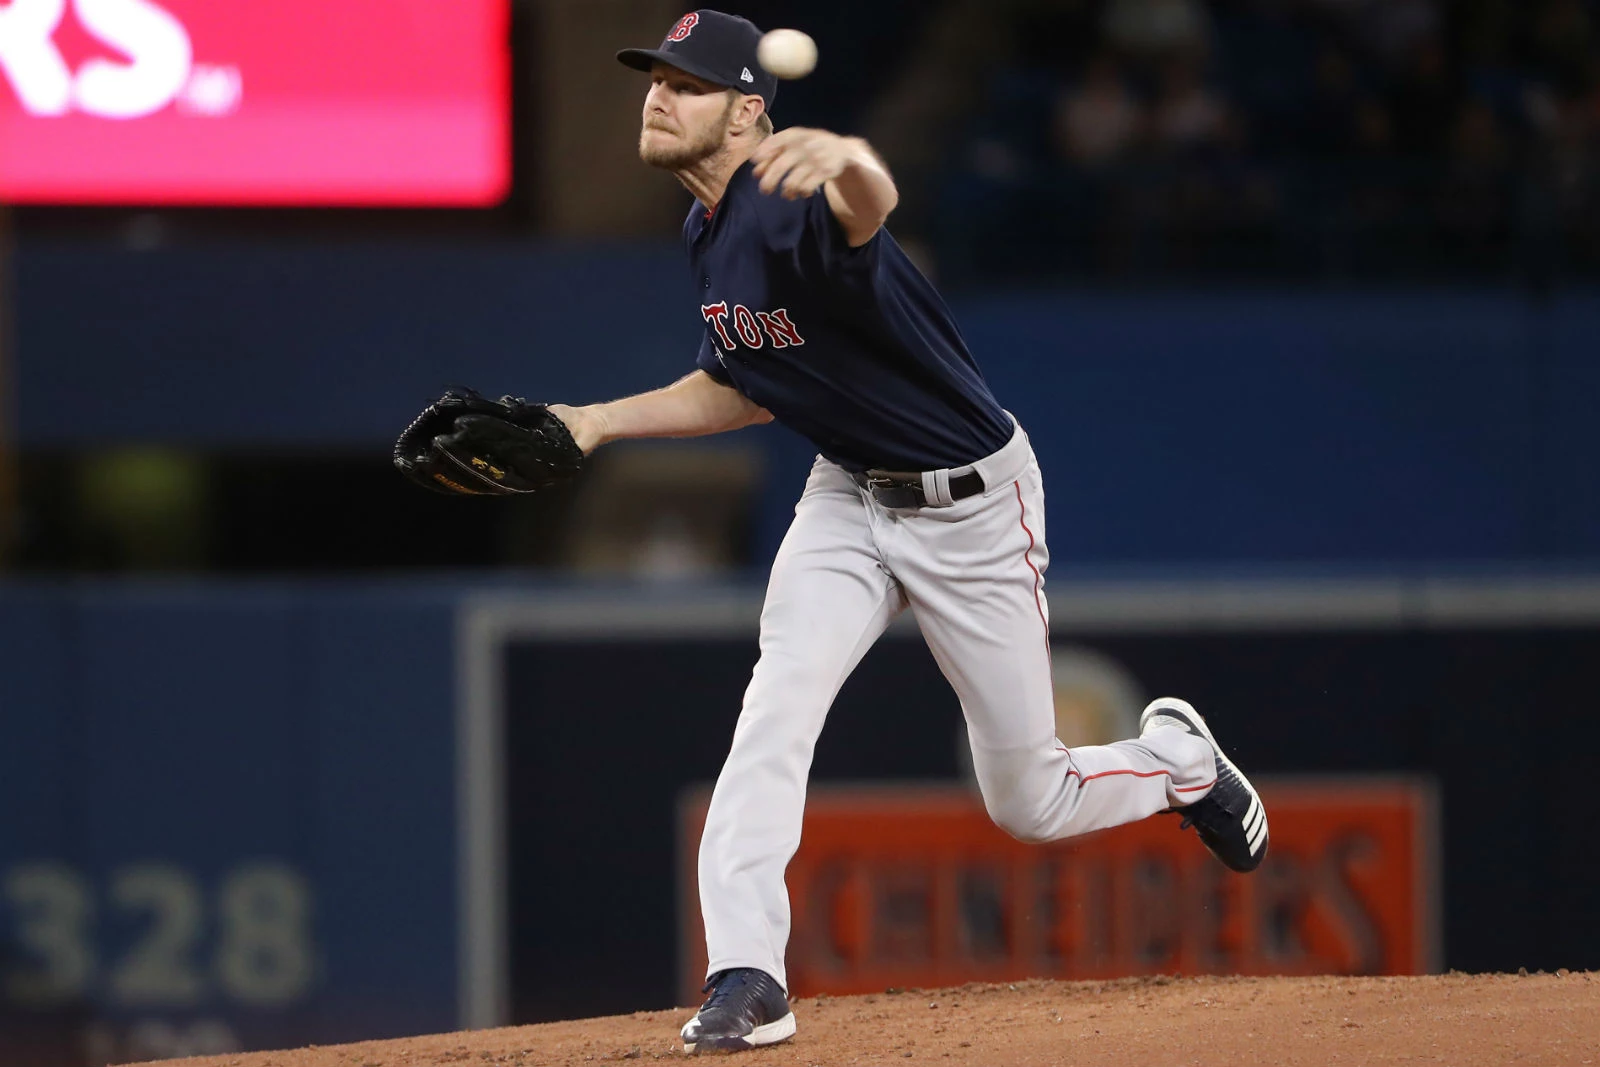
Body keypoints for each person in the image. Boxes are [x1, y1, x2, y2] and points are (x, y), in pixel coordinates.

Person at [550, 10, 1270, 1054]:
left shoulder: (792, 202)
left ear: (748, 112)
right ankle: (748, 973)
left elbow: (867, 207)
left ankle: (1179, 762)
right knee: (774, 708)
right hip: (847, 490)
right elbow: (745, 386)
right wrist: (597, 421)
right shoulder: (705, 230)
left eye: (687, 84)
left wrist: (849, 157)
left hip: (974, 507)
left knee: (1029, 798)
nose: (659, 95)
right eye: (654, 77)